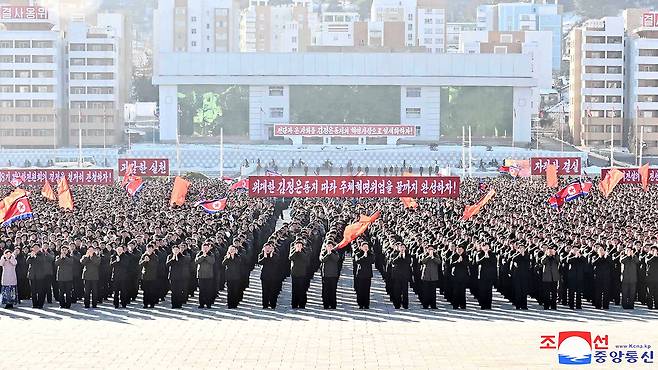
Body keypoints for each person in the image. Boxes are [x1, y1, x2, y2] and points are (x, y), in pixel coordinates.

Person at [319, 241, 340, 309]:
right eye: (328, 246)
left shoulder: (335, 252)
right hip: (325, 274)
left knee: (333, 290)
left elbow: (337, 259)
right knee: (325, 290)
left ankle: (333, 304)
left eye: (331, 246)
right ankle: (326, 304)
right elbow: (322, 260)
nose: (330, 247)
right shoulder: (323, 252)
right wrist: (328, 254)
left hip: (333, 274)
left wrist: (331, 253)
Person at [390, 242, 412, 309]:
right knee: (397, 290)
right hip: (397, 275)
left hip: (405, 275)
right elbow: (393, 261)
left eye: (403, 247)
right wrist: (399, 256)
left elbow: (408, 262)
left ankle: (405, 305)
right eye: (401, 247)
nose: (402, 249)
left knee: (405, 291)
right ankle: (397, 304)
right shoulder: (394, 254)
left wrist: (404, 255)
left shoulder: (408, 255)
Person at [475, 243, 496, 310]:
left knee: (489, 290)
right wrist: (485, 257)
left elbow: (494, 262)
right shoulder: (479, 254)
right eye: (484, 247)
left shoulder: (492, 254)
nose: (486, 248)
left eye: (487, 246)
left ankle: (489, 305)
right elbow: (477, 262)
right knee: (482, 290)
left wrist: (488, 257)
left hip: (490, 274)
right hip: (482, 274)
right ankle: (483, 305)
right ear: (482, 247)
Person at [353, 241, 374, 309]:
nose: (365, 248)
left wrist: (366, 256)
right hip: (360, 274)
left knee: (367, 290)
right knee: (360, 290)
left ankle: (366, 304)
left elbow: (372, 260)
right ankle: (360, 304)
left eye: (367, 247)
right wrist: (364, 257)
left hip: (368, 274)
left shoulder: (370, 254)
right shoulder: (358, 254)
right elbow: (358, 261)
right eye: (364, 247)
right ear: (361, 247)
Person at [419, 244, 440, 309]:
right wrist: (429, 256)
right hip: (426, 276)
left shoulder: (436, 256)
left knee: (433, 292)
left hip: (433, 276)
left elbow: (439, 262)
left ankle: (433, 305)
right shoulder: (424, 255)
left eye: (432, 249)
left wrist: (433, 257)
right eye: (429, 249)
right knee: (426, 292)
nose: (430, 250)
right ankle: (425, 305)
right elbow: (422, 261)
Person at [258, 243, 279, 309]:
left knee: (273, 291)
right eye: (266, 248)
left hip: (273, 276)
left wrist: (271, 255)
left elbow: (276, 262)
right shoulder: (261, 255)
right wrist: (265, 257)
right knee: (265, 291)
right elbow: (260, 262)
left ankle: (273, 304)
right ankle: (265, 304)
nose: (267, 249)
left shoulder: (275, 255)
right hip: (264, 276)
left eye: (269, 248)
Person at [195, 243, 215, 309]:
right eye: (204, 248)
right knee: (201, 290)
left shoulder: (211, 254)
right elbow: (196, 261)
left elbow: (212, 261)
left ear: (209, 248)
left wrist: (206, 256)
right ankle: (201, 304)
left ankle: (208, 304)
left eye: (206, 248)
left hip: (209, 275)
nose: (205, 249)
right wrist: (202, 256)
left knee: (208, 290)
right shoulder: (199, 253)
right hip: (201, 275)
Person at [289, 240, 308, 309]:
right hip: (294, 272)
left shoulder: (305, 251)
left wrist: (300, 252)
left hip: (302, 272)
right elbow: (290, 258)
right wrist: (296, 252)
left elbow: (306, 259)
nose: (298, 247)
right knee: (294, 289)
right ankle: (294, 304)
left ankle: (302, 304)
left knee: (302, 289)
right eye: (297, 245)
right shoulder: (293, 251)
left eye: (300, 245)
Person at [139, 244, 159, 309]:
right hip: (145, 276)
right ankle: (145, 303)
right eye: (148, 248)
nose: (149, 249)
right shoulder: (144, 255)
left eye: (151, 248)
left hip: (153, 276)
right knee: (145, 291)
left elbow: (155, 265)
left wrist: (149, 261)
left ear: (153, 249)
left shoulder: (155, 256)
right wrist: (145, 261)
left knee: (152, 291)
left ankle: (152, 303)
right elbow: (140, 264)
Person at [450, 244, 469, 310]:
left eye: (460, 249)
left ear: (463, 250)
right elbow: (451, 264)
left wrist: (462, 261)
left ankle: (462, 305)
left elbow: (467, 264)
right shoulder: (453, 256)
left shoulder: (466, 256)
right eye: (458, 249)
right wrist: (457, 261)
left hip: (463, 276)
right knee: (455, 291)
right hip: (455, 275)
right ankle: (455, 305)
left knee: (462, 291)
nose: (459, 251)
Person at [541, 246, 560, 310]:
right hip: (547, 278)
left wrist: (554, 255)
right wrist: (547, 255)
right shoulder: (545, 256)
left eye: (551, 251)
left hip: (554, 277)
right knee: (546, 293)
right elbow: (543, 262)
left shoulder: (556, 256)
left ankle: (553, 306)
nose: (550, 252)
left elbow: (558, 261)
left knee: (554, 293)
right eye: (549, 251)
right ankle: (546, 306)